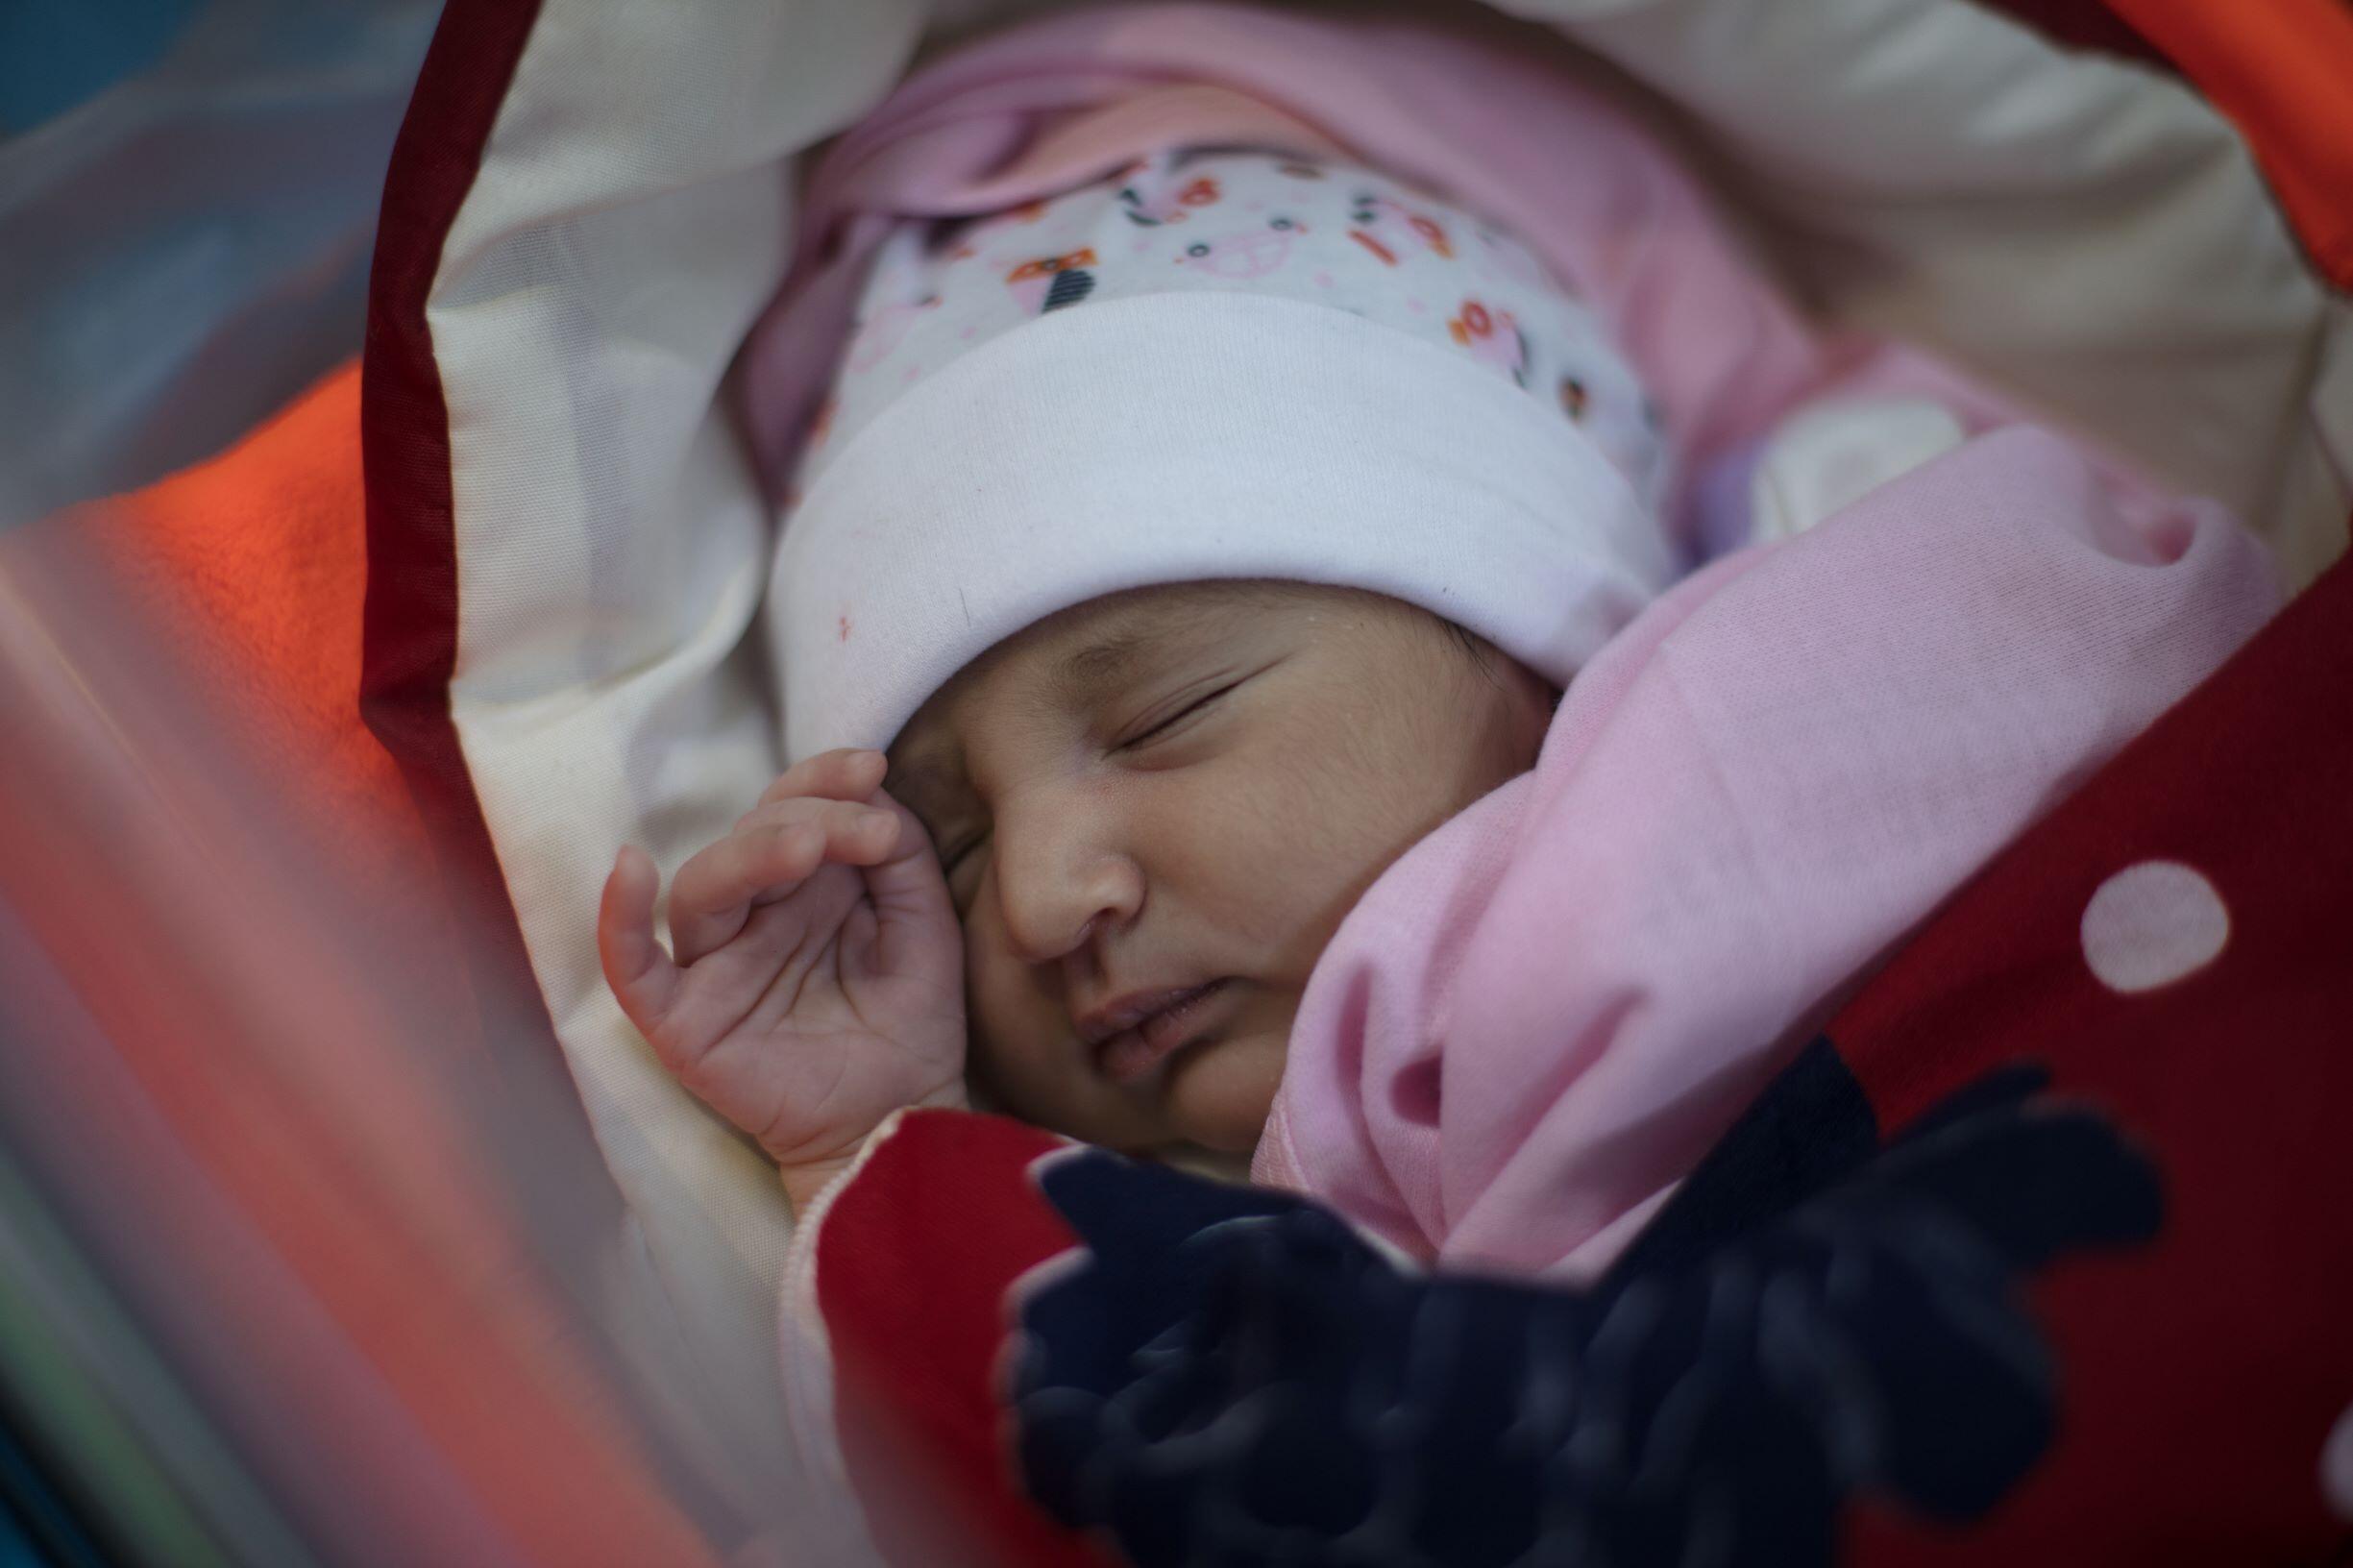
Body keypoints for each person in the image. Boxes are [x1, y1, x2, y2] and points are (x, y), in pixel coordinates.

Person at [598, 137, 2276, 1276]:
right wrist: (878, 1148)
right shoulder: (1194, 1237)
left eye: (1166, 713)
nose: (1042, 902)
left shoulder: (1846, 698)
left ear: (1532, 646)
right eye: (948, 854)